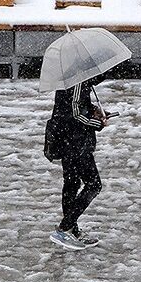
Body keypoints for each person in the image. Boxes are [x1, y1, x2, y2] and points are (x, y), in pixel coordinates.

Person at [49, 73, 110, 250]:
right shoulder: (77, 81)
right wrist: (97, 123)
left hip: (67, 141)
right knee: (94, 184)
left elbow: (71, 106)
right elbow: (75, 114)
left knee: (72, 184)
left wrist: (93, 110)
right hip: (76, 143)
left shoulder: (70, 79)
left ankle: (71, 231)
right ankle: (65, 228)